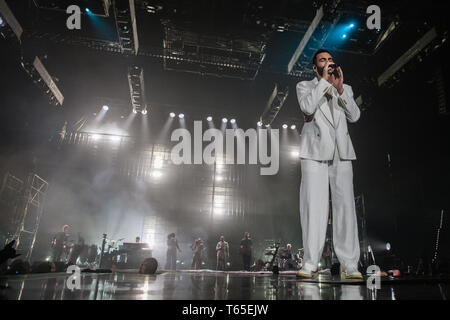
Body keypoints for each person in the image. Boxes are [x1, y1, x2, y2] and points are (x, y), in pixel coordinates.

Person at [295, 49, 362, 279]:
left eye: (330, 60)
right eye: (323, 61)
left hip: (341, 154)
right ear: (315, 68)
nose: (328, 63)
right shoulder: (305, 86)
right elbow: (307, 108)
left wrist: (340, 89)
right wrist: (323, 82)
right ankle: (310, 262)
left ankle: (350, 264)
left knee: (345, 209)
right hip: (314, 152)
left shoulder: (345, 88)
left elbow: (355, 116)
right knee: (314, 207)